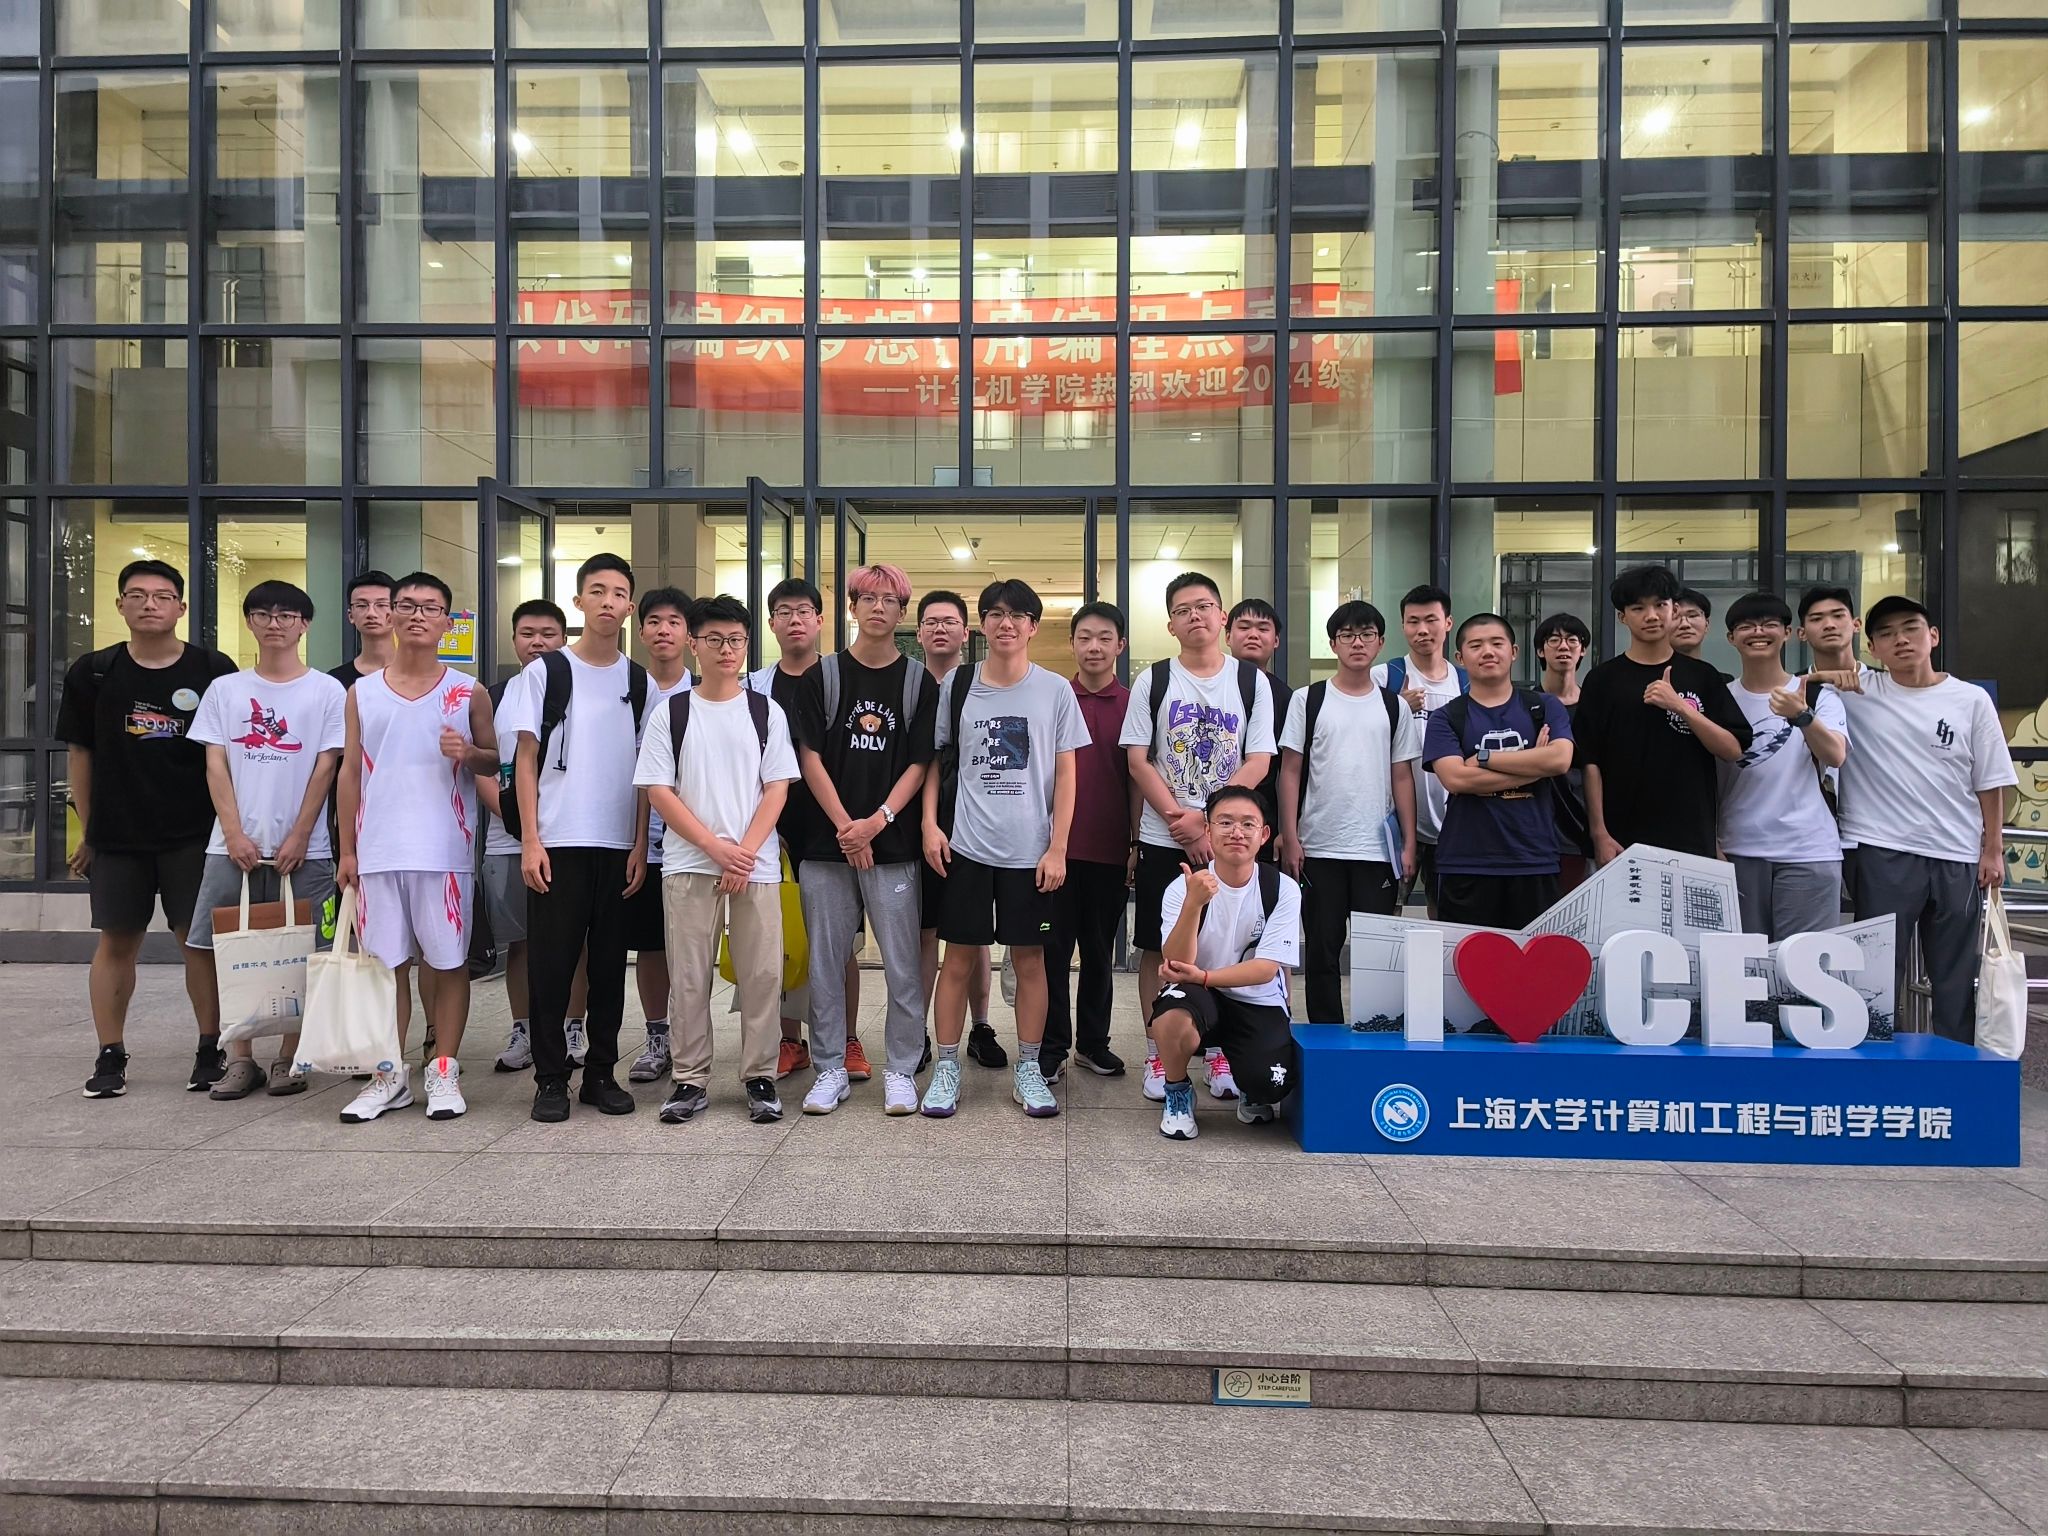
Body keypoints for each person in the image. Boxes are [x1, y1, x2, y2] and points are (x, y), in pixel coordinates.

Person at [64, 559, 238, 1099]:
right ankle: (110, 1053)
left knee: (198, 943)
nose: (149, 604)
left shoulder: (213, 669)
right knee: (117, 941)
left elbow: (229, 754)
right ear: (120, 604)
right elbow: (80, 755)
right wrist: (90, 831)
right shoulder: (94, 672)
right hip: (119, 837)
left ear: (181, 608)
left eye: (162, 596)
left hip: (194, 834)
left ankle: (210, 1048)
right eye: (136, 595)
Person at [1810, 596, 2015, 1040]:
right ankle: (1880, 1067)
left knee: (1954, 977)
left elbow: (1990, 779)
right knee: (1878, 976)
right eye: (1886, 634)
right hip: (1881, 851)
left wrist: (1993, 849)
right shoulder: (1858, 692)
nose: (1900, 640)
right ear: (1873, 648)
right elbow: (1804, 685)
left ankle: (1954, 1063)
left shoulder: (1971, 700)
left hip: (1956, 852)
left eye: (1911, 628)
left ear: (1933, 636)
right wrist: (1826, 672)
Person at [920, 579, 1088, 1119]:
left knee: (1031, 959)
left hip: (1030, 853)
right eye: (995, 613)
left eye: (1017, 615)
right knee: (958, 958)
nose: (1006, 623)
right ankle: (948, 1066)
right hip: (967, 847)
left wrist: (1058, 846)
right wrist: (929, 824)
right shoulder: (959, 684)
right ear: (982, 625)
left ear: (1033, 626)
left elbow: (1067, 774)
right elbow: (936, 760)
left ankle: (1030, 1068)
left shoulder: (1055, 690)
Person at [334, 572, 498, 1122]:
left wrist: (468, 752)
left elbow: (493, 760)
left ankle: (444, 1070)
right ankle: (388, 1075)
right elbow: (349, 772)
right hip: (378, 850)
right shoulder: (362, 692)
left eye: (430, 607)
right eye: (406, 605)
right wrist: (348, 851)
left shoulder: (467, 691)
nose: (417, 615)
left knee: (448, 964)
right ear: (392, 616)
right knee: (386, 968)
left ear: (447, 621)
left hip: (444, 851)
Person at [635, 595, 800, 1124]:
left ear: (747, 644)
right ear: (694, 644)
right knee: (688, 976)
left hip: (756, 865)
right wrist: (715, 848)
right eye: (714, 640)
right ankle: (689, 1078)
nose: (726, 649)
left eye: (736, 640)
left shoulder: (765, 711)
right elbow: (659, 790)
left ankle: (760, 1076)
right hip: (689, 862)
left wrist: (742, 853)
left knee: (762, 975)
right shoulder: (672, 713)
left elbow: (777, 787)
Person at [1121, 571, 1277, 1104]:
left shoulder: (1251, 682)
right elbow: (1138, 759)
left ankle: (1218, 1051)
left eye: (1204, 606)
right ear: (1170, 624)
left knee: (1225, 941)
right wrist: (1178, 818)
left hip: (1227, 840)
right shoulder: (1154, 680)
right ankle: (1158, 1051)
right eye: (1183, 609)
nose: (1195, 616)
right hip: (1164, 835)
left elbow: (1259, 759)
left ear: (1222, 617)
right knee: (1156, 946)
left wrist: (1210, 823)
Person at [187, 580, 347, 1099]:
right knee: (229, 950)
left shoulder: (327, 691)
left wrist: (301, 833)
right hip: (230, 848)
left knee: (305, 953)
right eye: (263, 614)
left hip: (307, 850)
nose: (275, 623)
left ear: (305, 625)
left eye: (286, 615)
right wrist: (234, 833)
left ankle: (289, 1056)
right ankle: (239, 1058)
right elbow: (215, 765)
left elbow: (327, 766)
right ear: (250, 622)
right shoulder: (225, 690)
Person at [508, 553, 651, 1123]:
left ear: (629, 606)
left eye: (618, 593)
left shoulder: (638, 682)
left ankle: (600, 1073)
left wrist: (639, 844)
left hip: (616, 847)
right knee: (552, 966)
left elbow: (648, 771)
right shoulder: (545, 672)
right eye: (597, 591)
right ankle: (550, 1079)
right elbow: (524, 759)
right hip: (557, 842)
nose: (607, 602)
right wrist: (531, 840)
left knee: (610, 970)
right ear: (579, 601)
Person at [793, 563, 937, 1116]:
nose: (879, 607)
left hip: (893, 847)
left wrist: (876, 821)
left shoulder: (917, 681)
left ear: (902, 612)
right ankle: (830, 1067)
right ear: (852, 607)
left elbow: (921, 762)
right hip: (826, 845)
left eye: (890, 600)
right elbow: (809, 757)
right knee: (826, 964)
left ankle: (900, 1068)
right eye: (868, 598)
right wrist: (846, 829)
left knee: (903, 965)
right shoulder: (822, 676)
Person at [1277, 600, 1420, 1024]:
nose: (1357, 642)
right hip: (1319, 846)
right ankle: (1327, 1035)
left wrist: (1410, 842)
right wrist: (1290, 836)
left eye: (1366, 634)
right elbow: (1290, 770)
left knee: (1376, 953)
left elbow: (1402, 777)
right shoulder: (1308, 699)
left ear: (1380, 642)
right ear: (1333, 644)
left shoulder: (1394, 706)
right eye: (1347, 635)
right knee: (1322, 949)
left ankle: (1373, 1031)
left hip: (1377, 851)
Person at [747, 577, 864, 1081]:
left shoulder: (841, 677)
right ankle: (789, 1040)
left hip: (833, 829)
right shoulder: (754, 686)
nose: (794, 620)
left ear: (820, 620)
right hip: (771, 832)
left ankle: (847, 1039)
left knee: (840, 943)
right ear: (771, 623)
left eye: (804, 611)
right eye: (784, 612)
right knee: (782, 938)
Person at [1149, 787, 1302, 1142]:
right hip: (1198, 996)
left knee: (1271, 1084)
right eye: (1225, 822)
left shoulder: (1282, 888)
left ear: (1264, 834)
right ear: (1207, 830)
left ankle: (1250, 1084)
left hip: (1254, 997)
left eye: (1248, 824)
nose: (1237, 832)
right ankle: (1177, 1091)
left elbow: (1265, 969)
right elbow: (1176, 961)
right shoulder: (1183, 887)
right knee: (1170, 1017)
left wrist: (1204, 976)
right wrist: (1193, 904)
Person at [1574, 565, 1752, 864]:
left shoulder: (1703, 676)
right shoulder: (1602, 680)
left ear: (1674, 610)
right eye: (1638, 608)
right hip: (1621, 837)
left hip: (1691, 835)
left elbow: (1732, 749)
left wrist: (1680, 706)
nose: (1651, 616)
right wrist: (1599, 833)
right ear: (1622, 617)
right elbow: (1590, 762)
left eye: (1660, 605)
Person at [1423, 614, 1576, 930]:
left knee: (1534, 958)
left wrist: (1483, 758)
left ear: (1514, 652)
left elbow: (1560, 760)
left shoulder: (1544, 707)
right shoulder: (1446, 717)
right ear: (1460, 657)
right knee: (1468, 959)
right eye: (1476, 645)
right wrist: (1534, 766)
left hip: (1534, 859)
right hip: (1467, 862)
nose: (1488, 652)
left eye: (1497, 643)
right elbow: (1456, 779)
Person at [1719, 592, 1850, 941]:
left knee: (1806, 964)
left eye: (1769, 625)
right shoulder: (1721, 699)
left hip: (1808, 850)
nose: (1758, 632)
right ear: (1731, 638)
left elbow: (1835, 755)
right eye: (1746, 626)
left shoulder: (1817, 694)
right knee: (1742, 965)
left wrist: (1802, 715)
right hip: (1737, 849)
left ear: (1788, 633)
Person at [481, 601, 575, 1073]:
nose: (537, 642)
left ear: (564, 638)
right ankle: (523, 1029)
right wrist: (519, 821)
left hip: (565, 837)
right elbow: (483, 764)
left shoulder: (575, 687)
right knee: (519, 942)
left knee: (574, 941)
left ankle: (573, 1027)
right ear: (514, 638)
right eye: (527, 633)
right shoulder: (495, 696)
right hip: (506, 839)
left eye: (548, 633)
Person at [1042, 601, 1133, 1080]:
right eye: (1084, 637)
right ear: (1072, 644)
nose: (1094, 647)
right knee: (1052, 954)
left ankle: (1093, 1044)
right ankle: (1052, 1046)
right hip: (1055, 851)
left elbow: (1137, 779)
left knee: (1099, 953)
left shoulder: (1135, 704)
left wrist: (1134, 843)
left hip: (1110, 850)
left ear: (1120, 645)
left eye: (1104, 638)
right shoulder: (1054, 699)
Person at [914, 588, 1002, 1069]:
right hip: (916, 822)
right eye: (931, 621)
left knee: (973, 933)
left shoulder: (980, 681)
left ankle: (981, 1026)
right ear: (919, 632)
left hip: (973, 821)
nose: (940, 628)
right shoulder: (908, 682)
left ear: (966, 632)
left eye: (949, 621)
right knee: (926, 930)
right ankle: (920, 1032)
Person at [623, 586, 694, 1085]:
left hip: (699, 844)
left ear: (689, 634)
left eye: (674, 621)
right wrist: (636, 844)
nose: (663, 630)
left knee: (692, 948)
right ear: (641, 630)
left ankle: (693, 1038)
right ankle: (657, 1037)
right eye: (654, 621)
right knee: (651, 945)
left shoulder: (707, 691)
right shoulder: (629, 692)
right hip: (643, 843)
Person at [1372, 584, 1466, 916]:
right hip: (1393, 825)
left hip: (1453, 822)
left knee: (1447, 917)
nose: (1422, 630)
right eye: (1413, 621)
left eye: (1431, 620)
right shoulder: (1384, 677)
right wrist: (1397, 707)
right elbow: (1360, 738)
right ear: (1403, 626)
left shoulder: (1466, 683)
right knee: (1386, 916)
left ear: (1448, 623)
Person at [1227, 597, 1292, 865]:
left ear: (1276, 641)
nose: (1253, 634)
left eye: (1263, 628)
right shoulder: (1207, 686)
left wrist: (1286, 830)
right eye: (1244, 627)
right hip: (1200, 818)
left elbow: (1291, 770)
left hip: (1262, 823)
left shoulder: (1287, 698)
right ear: (1227, 636)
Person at [1533, 612, 1593, 891]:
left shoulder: (1594, 706)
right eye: (1554, 640)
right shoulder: (1526, 704)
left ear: (1583, 650)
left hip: (1582, 825)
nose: (1563, 646)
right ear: (1540, 650)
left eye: (1572, 640)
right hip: (1536, 825)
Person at [328, 571, 398, 690]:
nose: (371, 613)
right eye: (361, 605)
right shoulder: (335, 681)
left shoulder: (420, 676)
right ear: (350, 615)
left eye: (381, 605)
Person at [1671, 588, 1713, 663]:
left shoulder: (1713, 671)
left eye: (1692, 615)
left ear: (1706, 624)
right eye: (1674, 617)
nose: (1684, 624)